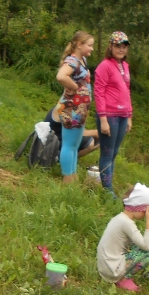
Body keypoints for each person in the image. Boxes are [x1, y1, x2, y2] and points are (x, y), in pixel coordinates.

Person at [96, 183, 149, 292]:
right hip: (112, 271)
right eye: (145, 212)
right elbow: (146, 246)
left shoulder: (120, 218)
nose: (145, 215)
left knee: (145, 244)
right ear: (138, 208)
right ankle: (124, 279)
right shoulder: (127, 224)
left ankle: (123, 273)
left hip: (106, 266)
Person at [94, 31, 133, 195]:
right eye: (118, 46)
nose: (121, 49)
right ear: (110, 46)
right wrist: (103, 119)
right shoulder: (104, 66)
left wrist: (129, 115)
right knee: (107, 152)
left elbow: (127, 90)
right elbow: (99, 92)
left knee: (114, 152)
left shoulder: (125, 66)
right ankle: (107, 191)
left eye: (124, 46)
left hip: (123, 115)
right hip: (109, 115)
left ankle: (107, 184)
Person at [54, 31, 95, 183]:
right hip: (71, 109)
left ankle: (73, 175)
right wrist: (75, 87)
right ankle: (67, 178)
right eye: (89, 45)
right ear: (79, 45)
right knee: (69, 145)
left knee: (75, 145)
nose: (92, 48)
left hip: (80, 110)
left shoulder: (82, 59)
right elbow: (61, 76)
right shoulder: (72, 60)